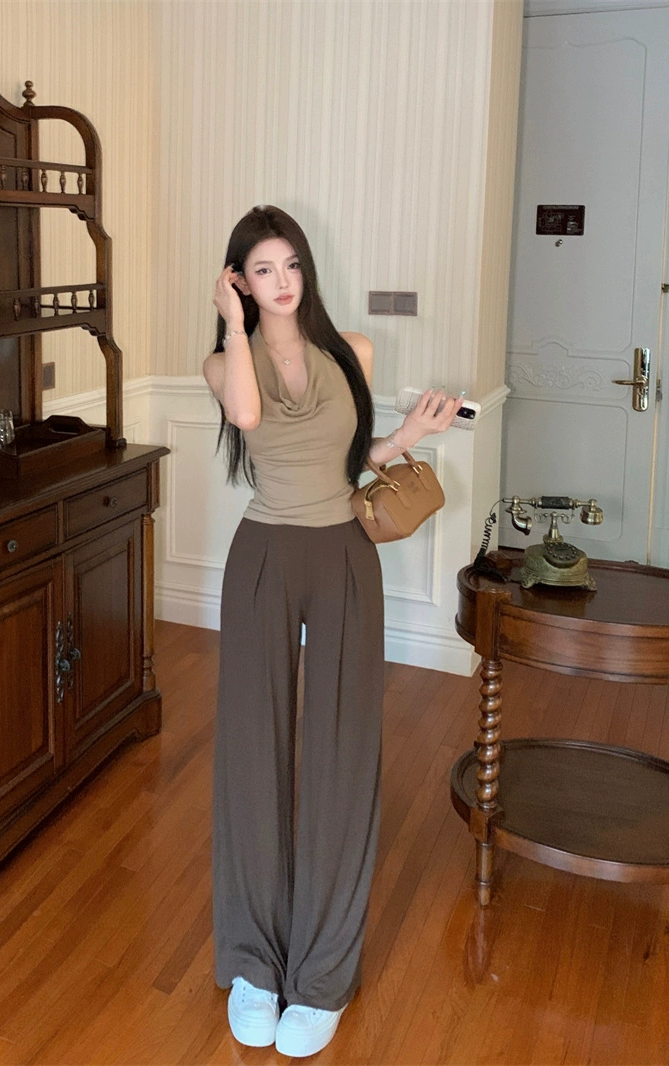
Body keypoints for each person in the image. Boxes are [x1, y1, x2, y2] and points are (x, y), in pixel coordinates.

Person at [204, 205, 460, 1057]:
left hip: (344, 551)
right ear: (240, 281)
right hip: (264, 557)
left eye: (291, 265)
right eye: (262, 270)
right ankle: (253, 962)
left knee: (342, 750)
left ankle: (322, 976)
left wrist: (410, 436)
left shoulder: (353, 350)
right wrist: (234, 323)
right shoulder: (224, 361)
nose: (282, 282)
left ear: (305, 270)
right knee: (253, 750)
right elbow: (247, 418)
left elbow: (351, 463)